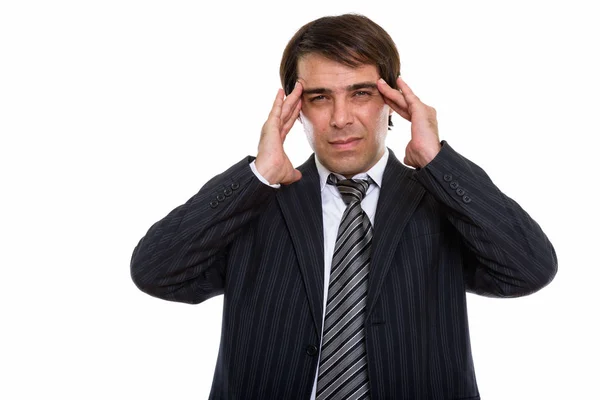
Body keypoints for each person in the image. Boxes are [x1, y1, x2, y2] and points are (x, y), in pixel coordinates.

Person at [130, 13, 557, 400]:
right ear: (295, 109)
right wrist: (257, 176)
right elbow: (156, 272)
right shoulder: (259, 203)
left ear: (391, 100)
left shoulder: (438, 199)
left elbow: (528, 268)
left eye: (360, 93)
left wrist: (438, 162)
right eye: (319, 98)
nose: (340, 118)